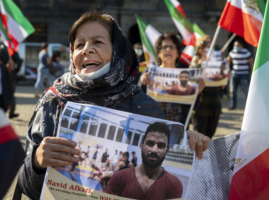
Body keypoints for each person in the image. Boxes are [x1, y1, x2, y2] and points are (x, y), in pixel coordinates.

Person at [17, 11, 210, 200]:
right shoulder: (53, 102)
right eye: (79, 44)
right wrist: (36, 162)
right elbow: (27, 186)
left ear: (117, 51)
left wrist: (188, 146)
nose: (86, 49)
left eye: (98, 42)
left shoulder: (144, 106)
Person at [106, 122, 184, 199]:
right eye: (150, 143)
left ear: (167, 151)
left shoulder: (174, 185)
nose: (154, 150)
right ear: (141, 146)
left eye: (160, 146)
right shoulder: (120, 177)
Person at [141, 31, 205, 124]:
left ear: (178, 52)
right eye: (164, 47)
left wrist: (198, 92)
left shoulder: (187, 75)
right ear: (158, 53)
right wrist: (143, 84)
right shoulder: (150, 73)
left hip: (178, 127)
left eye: (171, 47)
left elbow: (193, 107)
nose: (168, 49)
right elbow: (141, 103)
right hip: (153, 126)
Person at [190, 36, 222, 139]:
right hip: (200, 107)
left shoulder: (218, 64)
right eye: (208, 47)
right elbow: (190, 86)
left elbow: (222, 87)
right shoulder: (195, 65)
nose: (211, 50)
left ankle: (206, 156)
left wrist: (226, 76)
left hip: (214, 105)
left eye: (213, 47)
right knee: (199, 136)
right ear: (200, 50)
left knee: (210, 136)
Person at [227, 39, 253, 110]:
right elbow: (228, 60)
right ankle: (233, 105)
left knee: (245, 89)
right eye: (234, 45)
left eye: (237, 45)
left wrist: (252, 72)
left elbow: (251, 62)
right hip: (234, 73)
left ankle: (250, 105)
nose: (235, 46)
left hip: (244, 73)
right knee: (232, 90)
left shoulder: (246, 52)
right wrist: (228, 69)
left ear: (241, 46)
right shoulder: (232, 52)